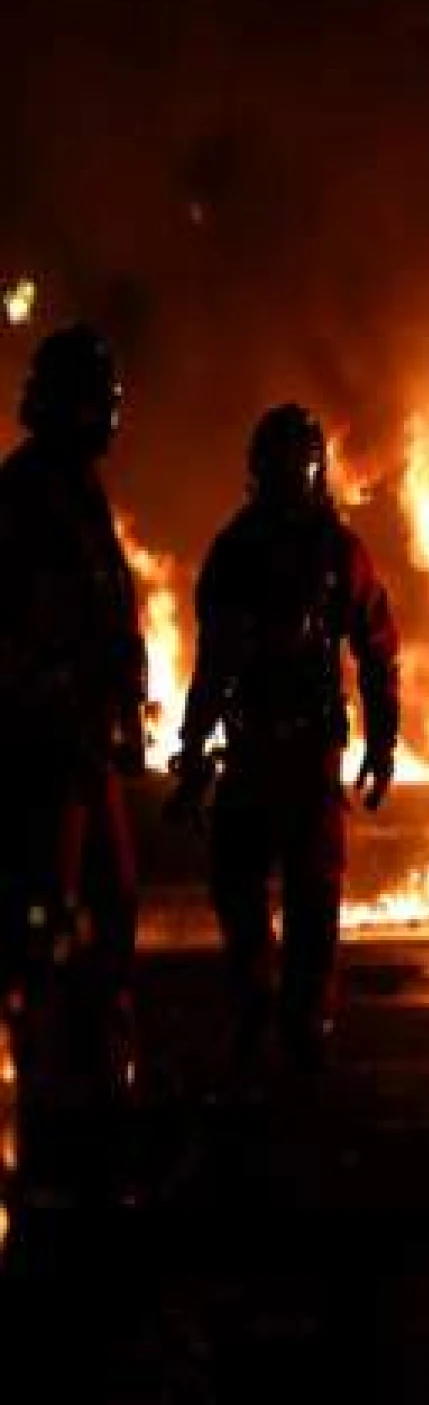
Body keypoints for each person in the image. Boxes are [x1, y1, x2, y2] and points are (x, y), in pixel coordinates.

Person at [167, 403, 400, 1074]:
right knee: (238, 885)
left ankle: (302, 1019)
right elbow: (214, 662)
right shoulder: (237, 551)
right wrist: (193, 749)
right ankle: (258, 997)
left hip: (307, 752)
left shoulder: (336, 551)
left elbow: (377, 648)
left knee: (314, 896)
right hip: (253, 749)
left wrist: (383, 742)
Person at [0, 324, 148, 1185]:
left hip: (85, 747)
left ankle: (98, 1081)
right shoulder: (20, 498)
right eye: (97, 397)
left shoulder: (79, 491)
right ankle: (38, 1094)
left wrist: (122, 702)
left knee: (112, 905)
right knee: (46, 921)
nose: (110, 414)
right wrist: (50, 693)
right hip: (40, 754)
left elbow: (104, 615)